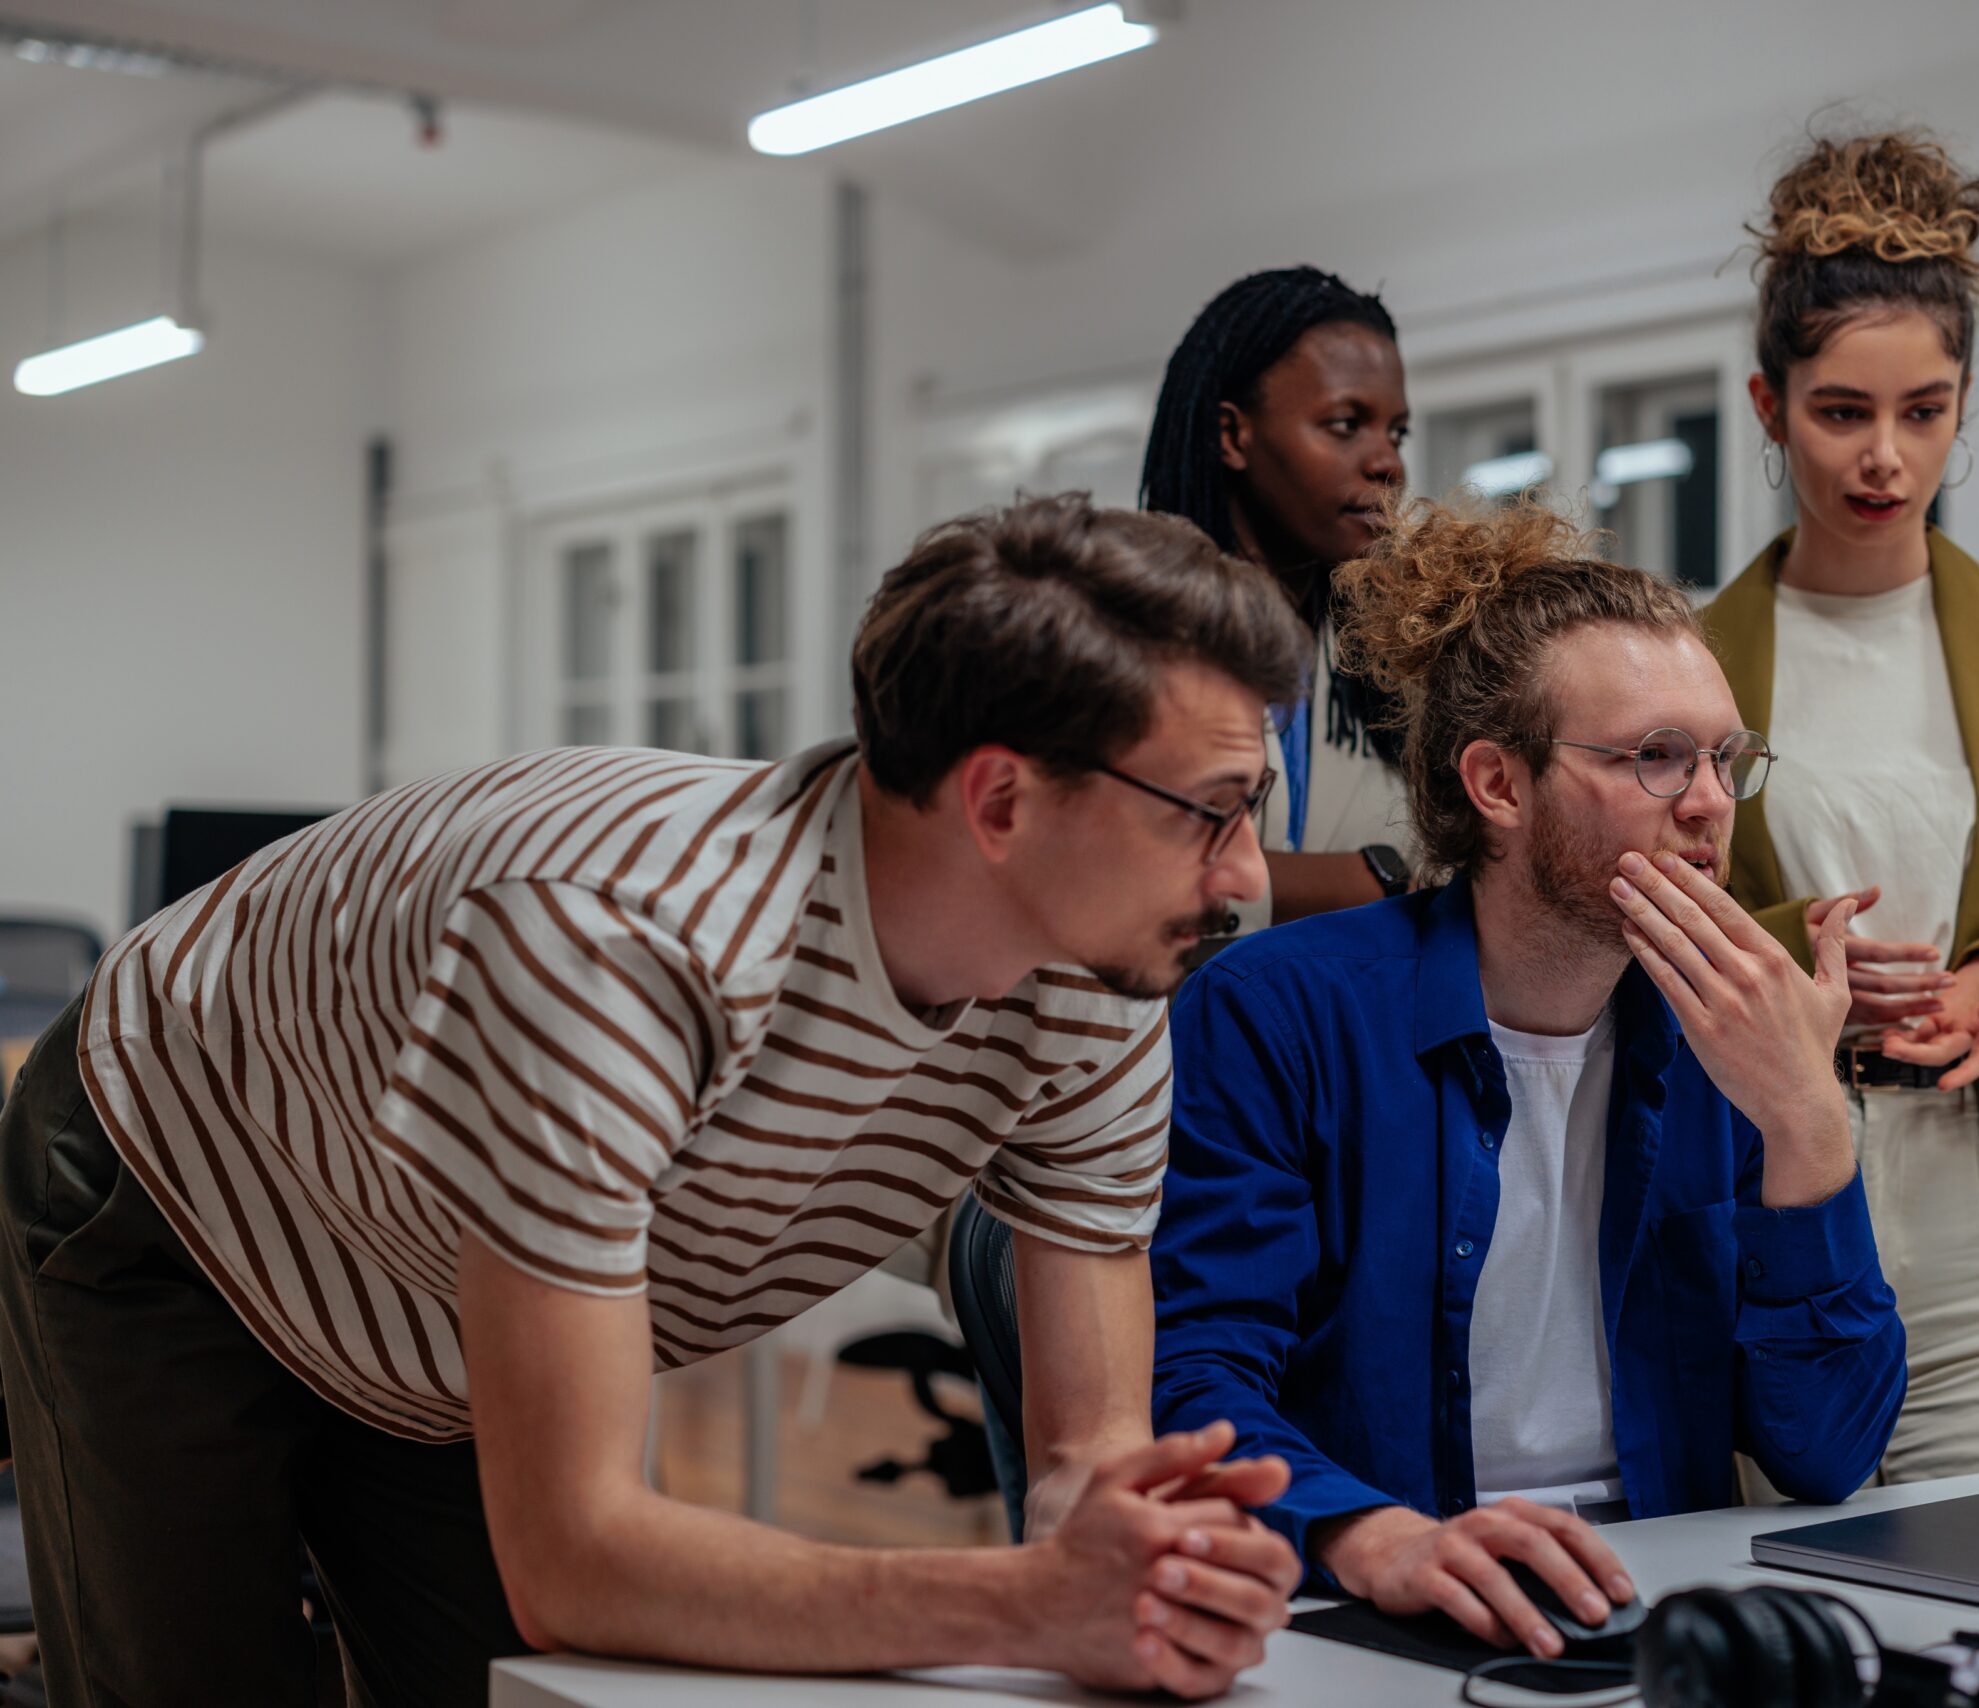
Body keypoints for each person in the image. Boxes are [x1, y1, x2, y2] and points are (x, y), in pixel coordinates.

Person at [0, 495, 1313, 1707]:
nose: (1249, 873)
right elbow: (578, 1558)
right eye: (1210, 812)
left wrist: (1148, 1574)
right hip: (178, 1186)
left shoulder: (1098, 977)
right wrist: (1022, 1607)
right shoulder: (615, 946)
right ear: (1003, 798)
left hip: (439, 1291)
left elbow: (1087, 1459)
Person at [1149, 495, 1907, 1660]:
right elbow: (1196, 1375)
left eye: (1724, 758)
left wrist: (1808, 1118)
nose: (1708, 804)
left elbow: (1828, 1451)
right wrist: (1362, 1531)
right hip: (1383, 1602)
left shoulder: (1738, 1034)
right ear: (1498, 786)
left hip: (1660, 1598)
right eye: (1655, 758)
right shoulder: (1276, 1010)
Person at [1702, 131, 1979, 1484]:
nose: (1886, 457)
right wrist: (1795, 954)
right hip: (1777, 1218)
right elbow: (1624, 920)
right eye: (1842, 412)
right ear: (1769, 407)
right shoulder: (1688, 661)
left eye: (1926, 411)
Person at [1140, 266, 1418, 929]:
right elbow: (1111, 868)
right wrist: (1369, 882)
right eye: (1347, 423)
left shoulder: (1381, 645)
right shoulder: (1133, 630)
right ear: (1233, 436)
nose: (1389, 462)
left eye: (1396, 432)